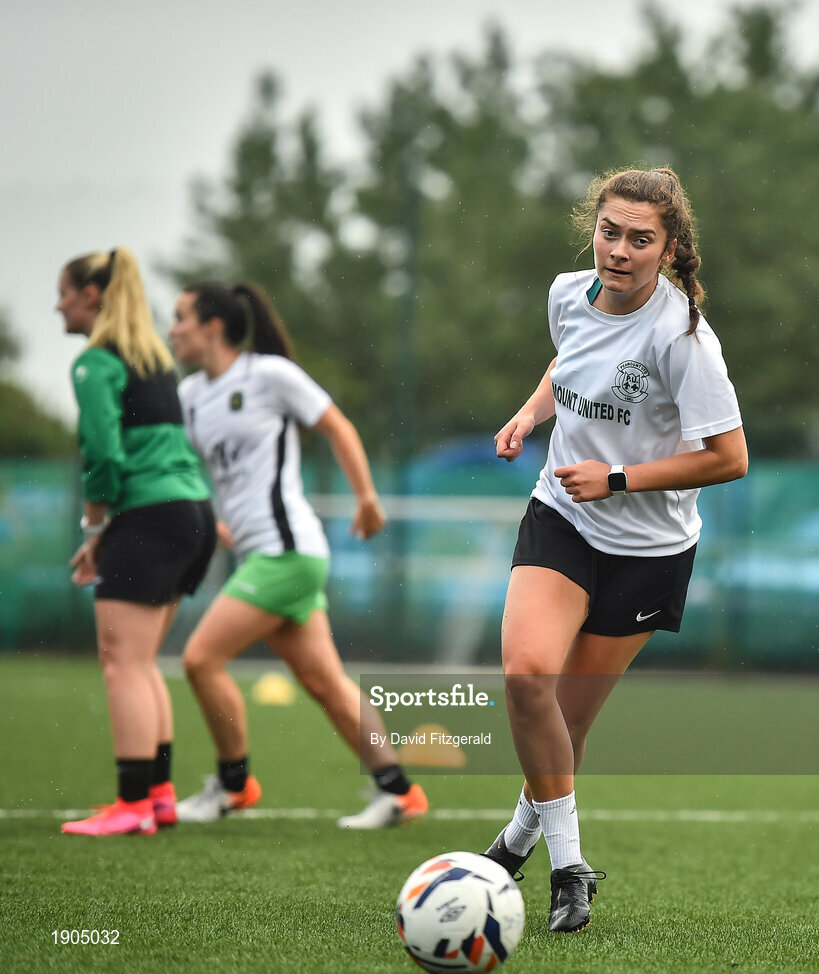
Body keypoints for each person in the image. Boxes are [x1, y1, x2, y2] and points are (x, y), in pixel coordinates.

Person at [481, 168, 748, 932]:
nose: (619, 251)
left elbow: (730, 459)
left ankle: (513, 841)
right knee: (527, 677)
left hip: (649, 549)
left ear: (668, 250)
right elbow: (568, 359)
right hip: (561, 515)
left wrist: (620, 477)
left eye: (640, 239)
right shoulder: (566, 292)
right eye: (609, 232)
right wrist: (529, 414)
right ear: (590, 228)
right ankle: (570, 870)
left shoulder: (683, 338)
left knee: (566, 720)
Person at [168, 281, 428, 828]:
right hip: (263, 558)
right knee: (324, 681)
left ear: (214, 327)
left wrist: (366, 497)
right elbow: (186, 466)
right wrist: (210, 519)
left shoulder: (268, 375)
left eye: (181, 319)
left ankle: (234, 785)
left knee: (199, 659)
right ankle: (399, 791)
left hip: (287, 554)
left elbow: (337, 425)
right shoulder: (190, 395)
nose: (173, 331)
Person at [57, 247, 216, 837]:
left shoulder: (95, 362)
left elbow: (101, 457)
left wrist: (95, 531)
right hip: (191, 514)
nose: (58, 306)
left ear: (91, 297)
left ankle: (131, 805)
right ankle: (159, 796)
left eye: (65, 295)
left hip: (149, 517)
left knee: (120, 661)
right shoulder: (154, 359)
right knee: (142, 660)